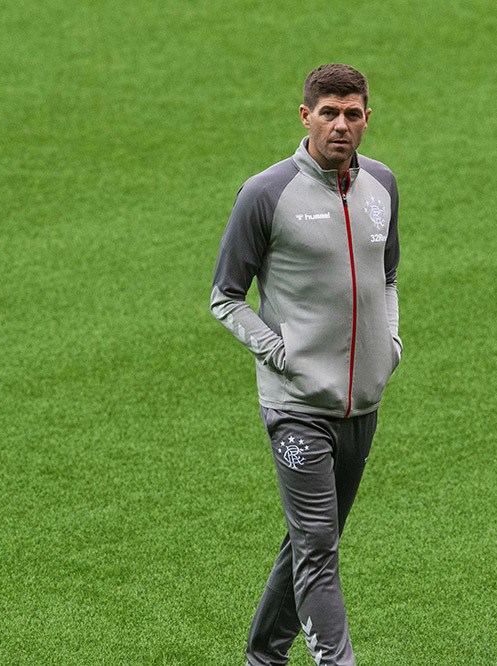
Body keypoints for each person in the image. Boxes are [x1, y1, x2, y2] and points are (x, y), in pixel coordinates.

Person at [210, 63, 401, 666]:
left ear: (367, 118)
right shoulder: (266, 193)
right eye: (328, 113)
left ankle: (264, 656)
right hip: (296, 408)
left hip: (362, 404)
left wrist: (389, 344)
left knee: (311, 543)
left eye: (352, 113)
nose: (340, 125)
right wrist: (280, 352)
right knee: (319, 545)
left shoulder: (384, 187)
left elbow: (388, 276)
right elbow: (226, 296)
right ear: (305, 116)